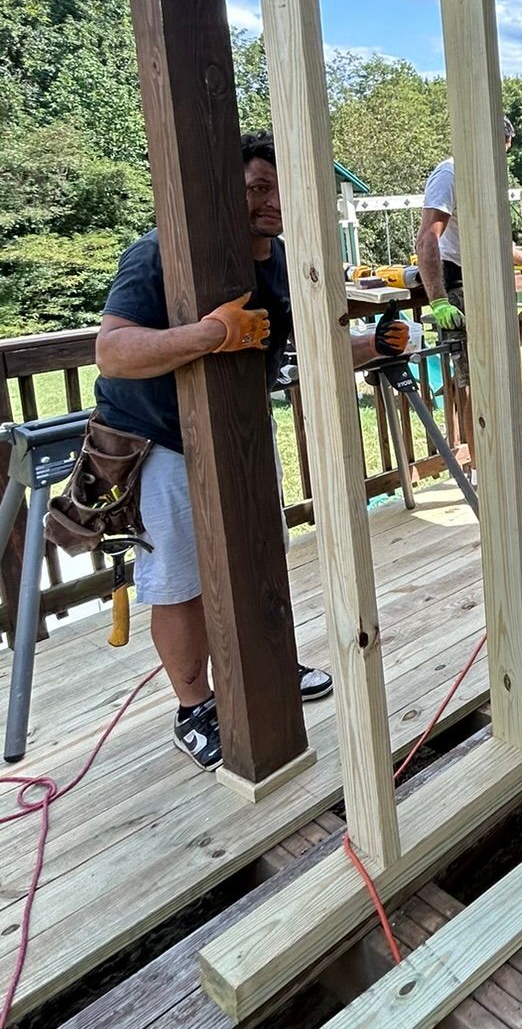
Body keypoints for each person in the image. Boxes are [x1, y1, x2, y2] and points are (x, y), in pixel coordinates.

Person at [93, 133, 412, 770]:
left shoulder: (278, 261)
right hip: (159, 444)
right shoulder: (157, 256)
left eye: (279, 189)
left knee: (259, 557)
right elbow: (112, 352)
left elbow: (309, 347)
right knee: (181, 582)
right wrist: (211, 333)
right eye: (256, 190)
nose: (272, 202)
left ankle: (262, 669)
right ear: (221, 195)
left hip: (239, 439)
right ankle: (195, 708)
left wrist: (376, 343)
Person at [416, 113, 522, 333]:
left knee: (498, 352)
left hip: (483, 274)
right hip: (455, 277)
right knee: (470, 359)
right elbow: (426, 240)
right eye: (496, 152)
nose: (498, 160)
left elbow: (493, 241)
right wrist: (439, 302)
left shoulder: (485, 178)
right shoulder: (449, 174)